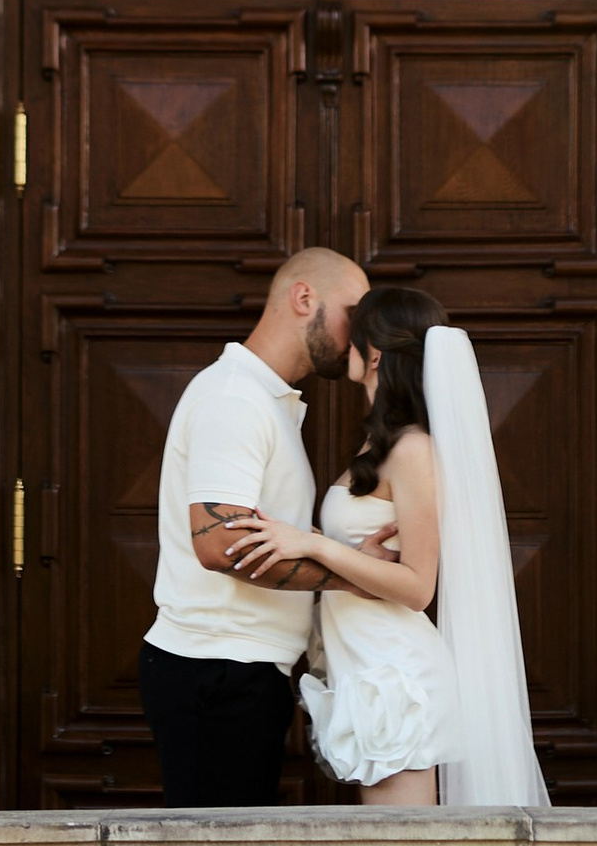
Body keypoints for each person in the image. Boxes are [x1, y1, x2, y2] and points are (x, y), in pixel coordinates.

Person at [229, 284, 552, 811]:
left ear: (373, 353)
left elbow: (419, 586)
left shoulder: (412, 449)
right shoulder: (380, 445)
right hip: (366, 665)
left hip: (395, 679)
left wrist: (314, 546)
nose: (341, 348)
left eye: (351, 339)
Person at [136, 246, 370, 807]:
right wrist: (353, 577)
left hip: (240, 669)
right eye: (353, 312)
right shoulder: (235, 397)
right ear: (303, 297)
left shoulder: (267, 401)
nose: (360, 333)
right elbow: (220, 545)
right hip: (215, 670)